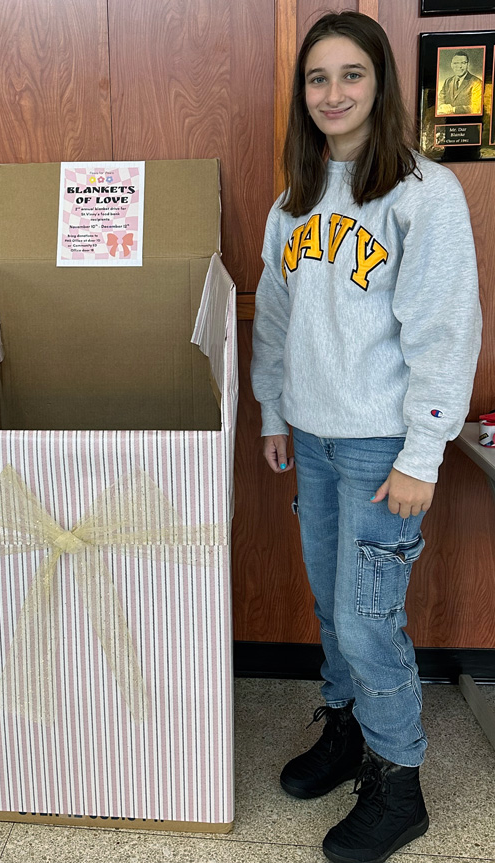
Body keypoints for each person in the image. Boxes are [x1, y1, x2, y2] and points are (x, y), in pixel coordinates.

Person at [251, 12, 481, 863]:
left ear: (381, 85)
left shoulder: (425, 193)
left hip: (383, 448)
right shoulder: (295, 199)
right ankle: (347, 729)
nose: (334, 93)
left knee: (367, 618)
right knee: (331, 605)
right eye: (318, 78)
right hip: (312, 437)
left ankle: (400, 781)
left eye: (352, 74)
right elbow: (274, 318)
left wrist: (423, 452)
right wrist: (274, 410)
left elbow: (446, 332)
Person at [437, 50, 483, 115]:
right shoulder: (448, 81)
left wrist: (453, 109)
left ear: (468, 65)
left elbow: (476, 108)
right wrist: (442, 106)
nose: (459, 66)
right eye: (456, 63)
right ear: (451, 65)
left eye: (463, 63)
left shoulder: (477, 82)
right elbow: (440, 99)